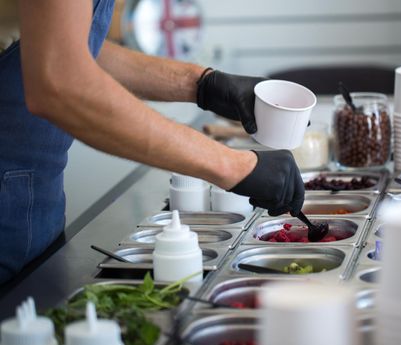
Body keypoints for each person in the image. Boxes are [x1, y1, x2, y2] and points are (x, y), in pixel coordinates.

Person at [0, 0, 304, 284]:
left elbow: (71, 48)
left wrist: (203, 84)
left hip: (32, 201)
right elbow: (62, 83)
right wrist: (236, 166)